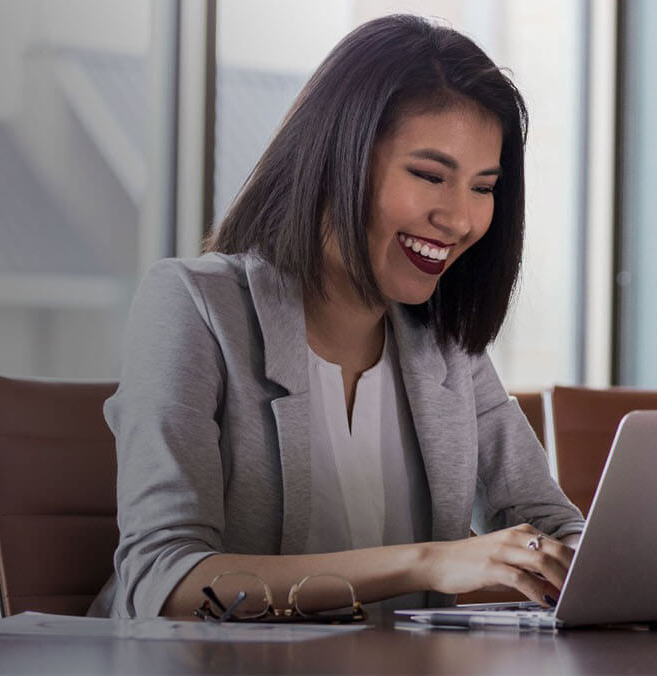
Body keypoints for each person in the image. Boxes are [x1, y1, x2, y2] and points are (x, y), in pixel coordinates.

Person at [89, 14, 584, 619]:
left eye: (483, 188)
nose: (459, 220)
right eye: (430, 175)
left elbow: (554, 527)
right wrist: (427, 562)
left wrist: (608, 561)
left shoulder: (444, 345)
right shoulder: (194, 306)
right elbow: (162, 582)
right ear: (335, 161)